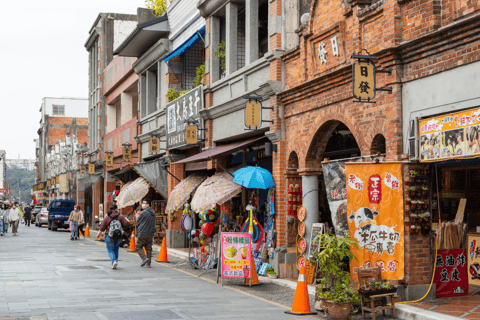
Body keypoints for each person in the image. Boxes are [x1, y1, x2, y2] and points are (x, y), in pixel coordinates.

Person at [99, 204, 130, 269]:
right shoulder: (120, 217)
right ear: (116, 209)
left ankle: (113, 261)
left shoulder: (107, 217)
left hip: (109, 235)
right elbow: (126, 224)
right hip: (119, 235)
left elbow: (102, 227)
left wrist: (102, 231)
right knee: (116, 249)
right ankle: (114, 261)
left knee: (110, 249)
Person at [136, 199, 156, 268]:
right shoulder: (153, 212)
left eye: (144, 203)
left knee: (138, 246)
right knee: (148, 248)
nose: (143, 205)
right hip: (151, 233)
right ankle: (148, 264)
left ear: (148, 204)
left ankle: (144, 258)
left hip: (143, 232)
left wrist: (137, 226)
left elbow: (137, 222)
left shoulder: (143, 213)